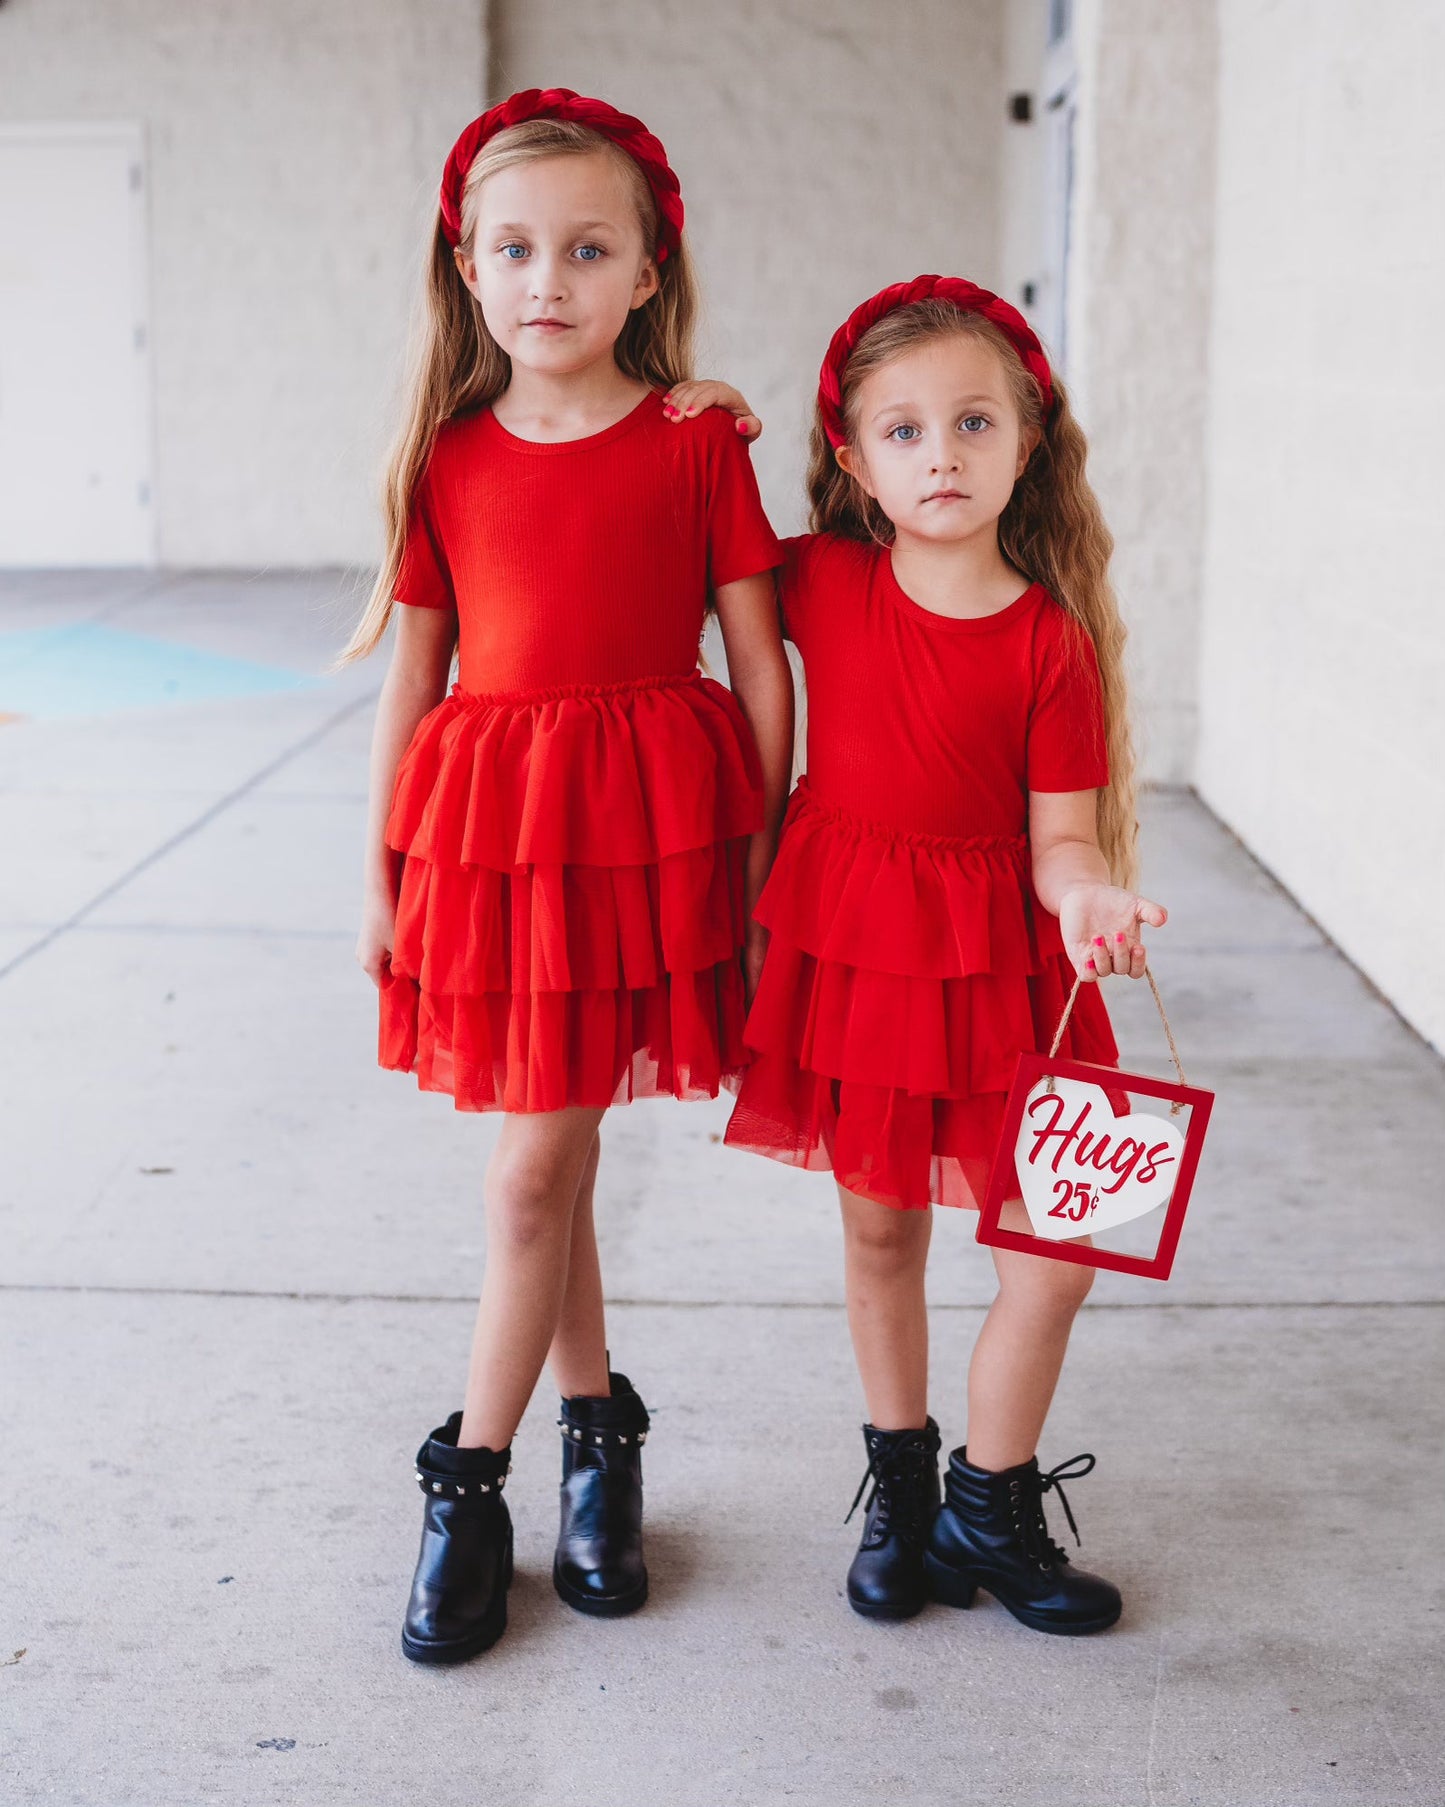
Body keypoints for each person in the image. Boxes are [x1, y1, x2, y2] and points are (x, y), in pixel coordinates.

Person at [334, 88, 792, 1664]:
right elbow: (414, 676)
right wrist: (384, 866)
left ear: (647, 271)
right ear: (467, 270)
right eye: (515, 249)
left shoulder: (696, 443)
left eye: (587, 250)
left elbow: (758, 661)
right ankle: (582, 1440)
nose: (550, 280)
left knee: (537, 1165)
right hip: (500, 840)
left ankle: (478, 1477)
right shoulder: (446, 461)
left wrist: (761, 844)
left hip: (645, 832)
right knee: (550, 1156)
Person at [721, 275, 1167, 1634]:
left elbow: (1060, 838)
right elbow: (691, 527)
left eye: (973, 423)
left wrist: (1088, 896)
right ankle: (902, 1494)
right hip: (858, 953)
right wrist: (696, 412)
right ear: (853, 461)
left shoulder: (1048, 642)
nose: (941, 455)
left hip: (1011, 971)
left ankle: (991, 1495)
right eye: (903, 431)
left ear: (1025, 443)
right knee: (878, 1229)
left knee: (1055, 1253)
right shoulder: (822, 579)